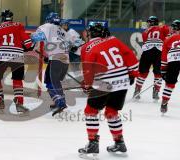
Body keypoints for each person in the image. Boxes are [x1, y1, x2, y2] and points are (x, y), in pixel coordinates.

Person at [78, 22, 139, 158]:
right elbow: (130, 57)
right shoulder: (114, 40)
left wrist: (87, 85)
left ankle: (93, 143)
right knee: (112, 112)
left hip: (104, 84)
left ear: (90, 33)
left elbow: (88, 70)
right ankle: (119, 143)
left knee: (91, 111)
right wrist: (132, 74)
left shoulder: (86, 47)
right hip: (122, 82)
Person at [0, 9, 33, 113]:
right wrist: (26, 47)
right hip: (17, 57)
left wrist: (2, 49)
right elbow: (28, 43)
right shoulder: (19, 26)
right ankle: (19, 104)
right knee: (17, 80)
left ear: (2, 18)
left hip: (2, 57)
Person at [31, 12, 71, 116]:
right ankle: (59, 101)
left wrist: (28, 40)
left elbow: (37, 37)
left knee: (52, 83)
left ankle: (61, 103)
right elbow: (61, 46)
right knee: (52, 81)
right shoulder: (64, 31)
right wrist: (48, 57)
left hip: (56, 59)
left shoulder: (46, 26)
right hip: (65, 60)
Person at [133, 16, 170, 100]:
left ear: (152, 22)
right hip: (159, 52)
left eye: (149, 22)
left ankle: (137, 90)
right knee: (158, 73)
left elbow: (146, 40)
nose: (148, 24)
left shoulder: (145, 31)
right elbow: (168, 33)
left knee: (143, 72)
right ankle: (156, 91)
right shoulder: (163, 28)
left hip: (147, 52)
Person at [160, 19, 180, 114]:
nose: (171, 29)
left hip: (173, 60)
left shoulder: (168, 39)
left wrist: (163, 69)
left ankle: (164, 102)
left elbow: (164, 55)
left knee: (170, 83)